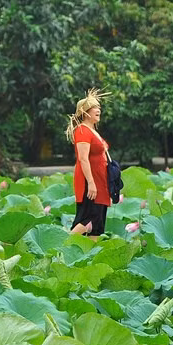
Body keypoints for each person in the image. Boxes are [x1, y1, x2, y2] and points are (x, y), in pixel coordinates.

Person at [66, 89, 111, 239]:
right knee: (89, 217)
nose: (98, 110)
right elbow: (83, 159)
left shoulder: (92, 131)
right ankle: (63, 245)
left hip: (100, 180)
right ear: (85, 112)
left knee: (98, 222)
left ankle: (90, 257)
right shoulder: (82, 131)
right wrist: (91, 183)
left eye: (99, 107)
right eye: (94, 108)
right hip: (89, 180)